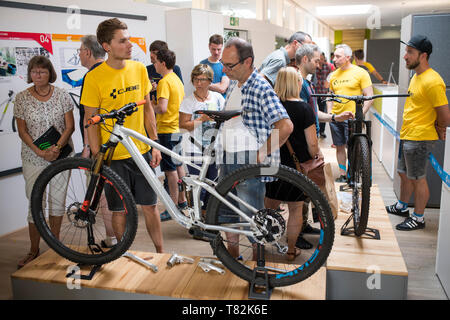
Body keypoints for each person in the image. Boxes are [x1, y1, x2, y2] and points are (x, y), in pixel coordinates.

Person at [81, 18, 164, 252]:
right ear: (106, 46)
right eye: (123, 41)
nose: (130, 45)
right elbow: (91, 120)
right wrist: (98, 155)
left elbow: (148, 108)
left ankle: (160, 252)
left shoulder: (138, 69)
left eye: (129, 39)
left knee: (150, 206)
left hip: (141, 152)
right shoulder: (94, 78)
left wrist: (154, 144)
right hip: (113, 157)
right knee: (118, 209)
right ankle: (123, 254)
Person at [218, 37, 293, 258]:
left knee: (253, 222)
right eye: (223, 63)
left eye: (230, 65)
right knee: (228, 215)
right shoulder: (233, 82)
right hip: (228, 158)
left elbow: (285, 125)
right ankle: (234, 260)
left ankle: (257, 267)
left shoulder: (260, 87)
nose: (225, 69)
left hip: (248, 163)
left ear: (248, 61)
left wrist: (262, 152)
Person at [14, 55, 75, 268]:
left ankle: (55, 245)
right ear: (30, 74)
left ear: (50, 73)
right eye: (34, 71)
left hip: (60, 155)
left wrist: (56, 148)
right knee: (35, 203)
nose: (37, 75)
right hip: (33, 157)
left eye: (42, 71)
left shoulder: (62, 95)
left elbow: (70, 127)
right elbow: (22, 131)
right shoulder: (21, 98)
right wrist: (41, 152)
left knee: (57, 202)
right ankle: (33, 250)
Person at [386, 35, 450, 231]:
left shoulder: (433, 81)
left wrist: (439, 129)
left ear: (423, 55)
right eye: (406, 52)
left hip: (420, 137)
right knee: (403, 173)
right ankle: (402, 206)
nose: (405, 56)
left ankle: (419, 218)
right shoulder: (416, 76)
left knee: (417, 178)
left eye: (410, 52)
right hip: (408, 134)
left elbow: (445, 115)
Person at [265, 67, 319, 260]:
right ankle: (290, 250)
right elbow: (312, 144)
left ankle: (264, 245)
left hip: (271, 164)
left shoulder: (272, 107)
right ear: (297, 83)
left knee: (269, 207)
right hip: (296, 168)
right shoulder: (305, 109)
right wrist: (317, 156)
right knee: (295, 209)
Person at [78, 34, 117, 248]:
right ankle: (115, 237)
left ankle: (112, 237)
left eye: (80, 51)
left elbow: (88, 116)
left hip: (98, 145)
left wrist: (87, 147)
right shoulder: (110, 72)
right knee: (110, 193)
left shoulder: (92, 77)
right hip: (114, 142)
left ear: (88, 52)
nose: (79, 55)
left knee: (100, 192)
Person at [179, 64, 225, 239]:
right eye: (196, 79)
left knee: (212, 185)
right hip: (194, 150)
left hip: (213, 149)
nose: (198, 83)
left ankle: (207, 219)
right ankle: (196, 221)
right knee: (197, 188)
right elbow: (183, 125)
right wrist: (201, 119)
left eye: (202, 79)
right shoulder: (188, 101)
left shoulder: (218, 98)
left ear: (209, 81)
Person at [150, 48, 187, 221]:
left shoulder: (165, 82)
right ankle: (182, 201)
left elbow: (162, 108)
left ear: (163, 63)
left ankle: (172, 208)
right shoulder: (177, 80)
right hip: (176, 130)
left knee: (170, 171)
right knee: (178, 167)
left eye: (155, 61)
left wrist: (151, 104)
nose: (154, 65)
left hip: (165, 130)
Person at [328, 44, 373, 182]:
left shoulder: (361, 73)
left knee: (354, 147)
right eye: (334, 56)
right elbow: (330, 95)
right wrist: (330, 114)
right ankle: (342, 174)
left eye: (338, 56)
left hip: (353, 118)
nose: (334, 59)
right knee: (339, 146)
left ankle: (352, 173)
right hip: (337, 118)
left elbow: (369, 96)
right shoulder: (333, 75)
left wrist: (361, 114)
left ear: (348, 57)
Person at [315, 52, 334, 138]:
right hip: (314, 93)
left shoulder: (328, 67)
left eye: (322, 59)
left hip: (323, 93)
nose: (321, 61)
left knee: (323, 111)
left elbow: (331, 77)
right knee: (314, 111)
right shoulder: (314, 66)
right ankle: (315, 129)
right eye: (320, 59)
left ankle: (322, 131)